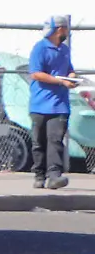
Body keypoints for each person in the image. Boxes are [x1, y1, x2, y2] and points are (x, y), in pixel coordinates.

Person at [30, 14, 78, 189]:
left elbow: (69, 69)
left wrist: (72, 77)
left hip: (60, 105)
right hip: (39, 104)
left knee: (55, 140)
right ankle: (39, 175)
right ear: (59, 29)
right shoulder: (40, 48)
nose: (66, 32)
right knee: (39, 141)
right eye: (65, 29)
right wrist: (60, 81)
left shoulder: (64, 50)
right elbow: (36, 73)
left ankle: (54, 175)